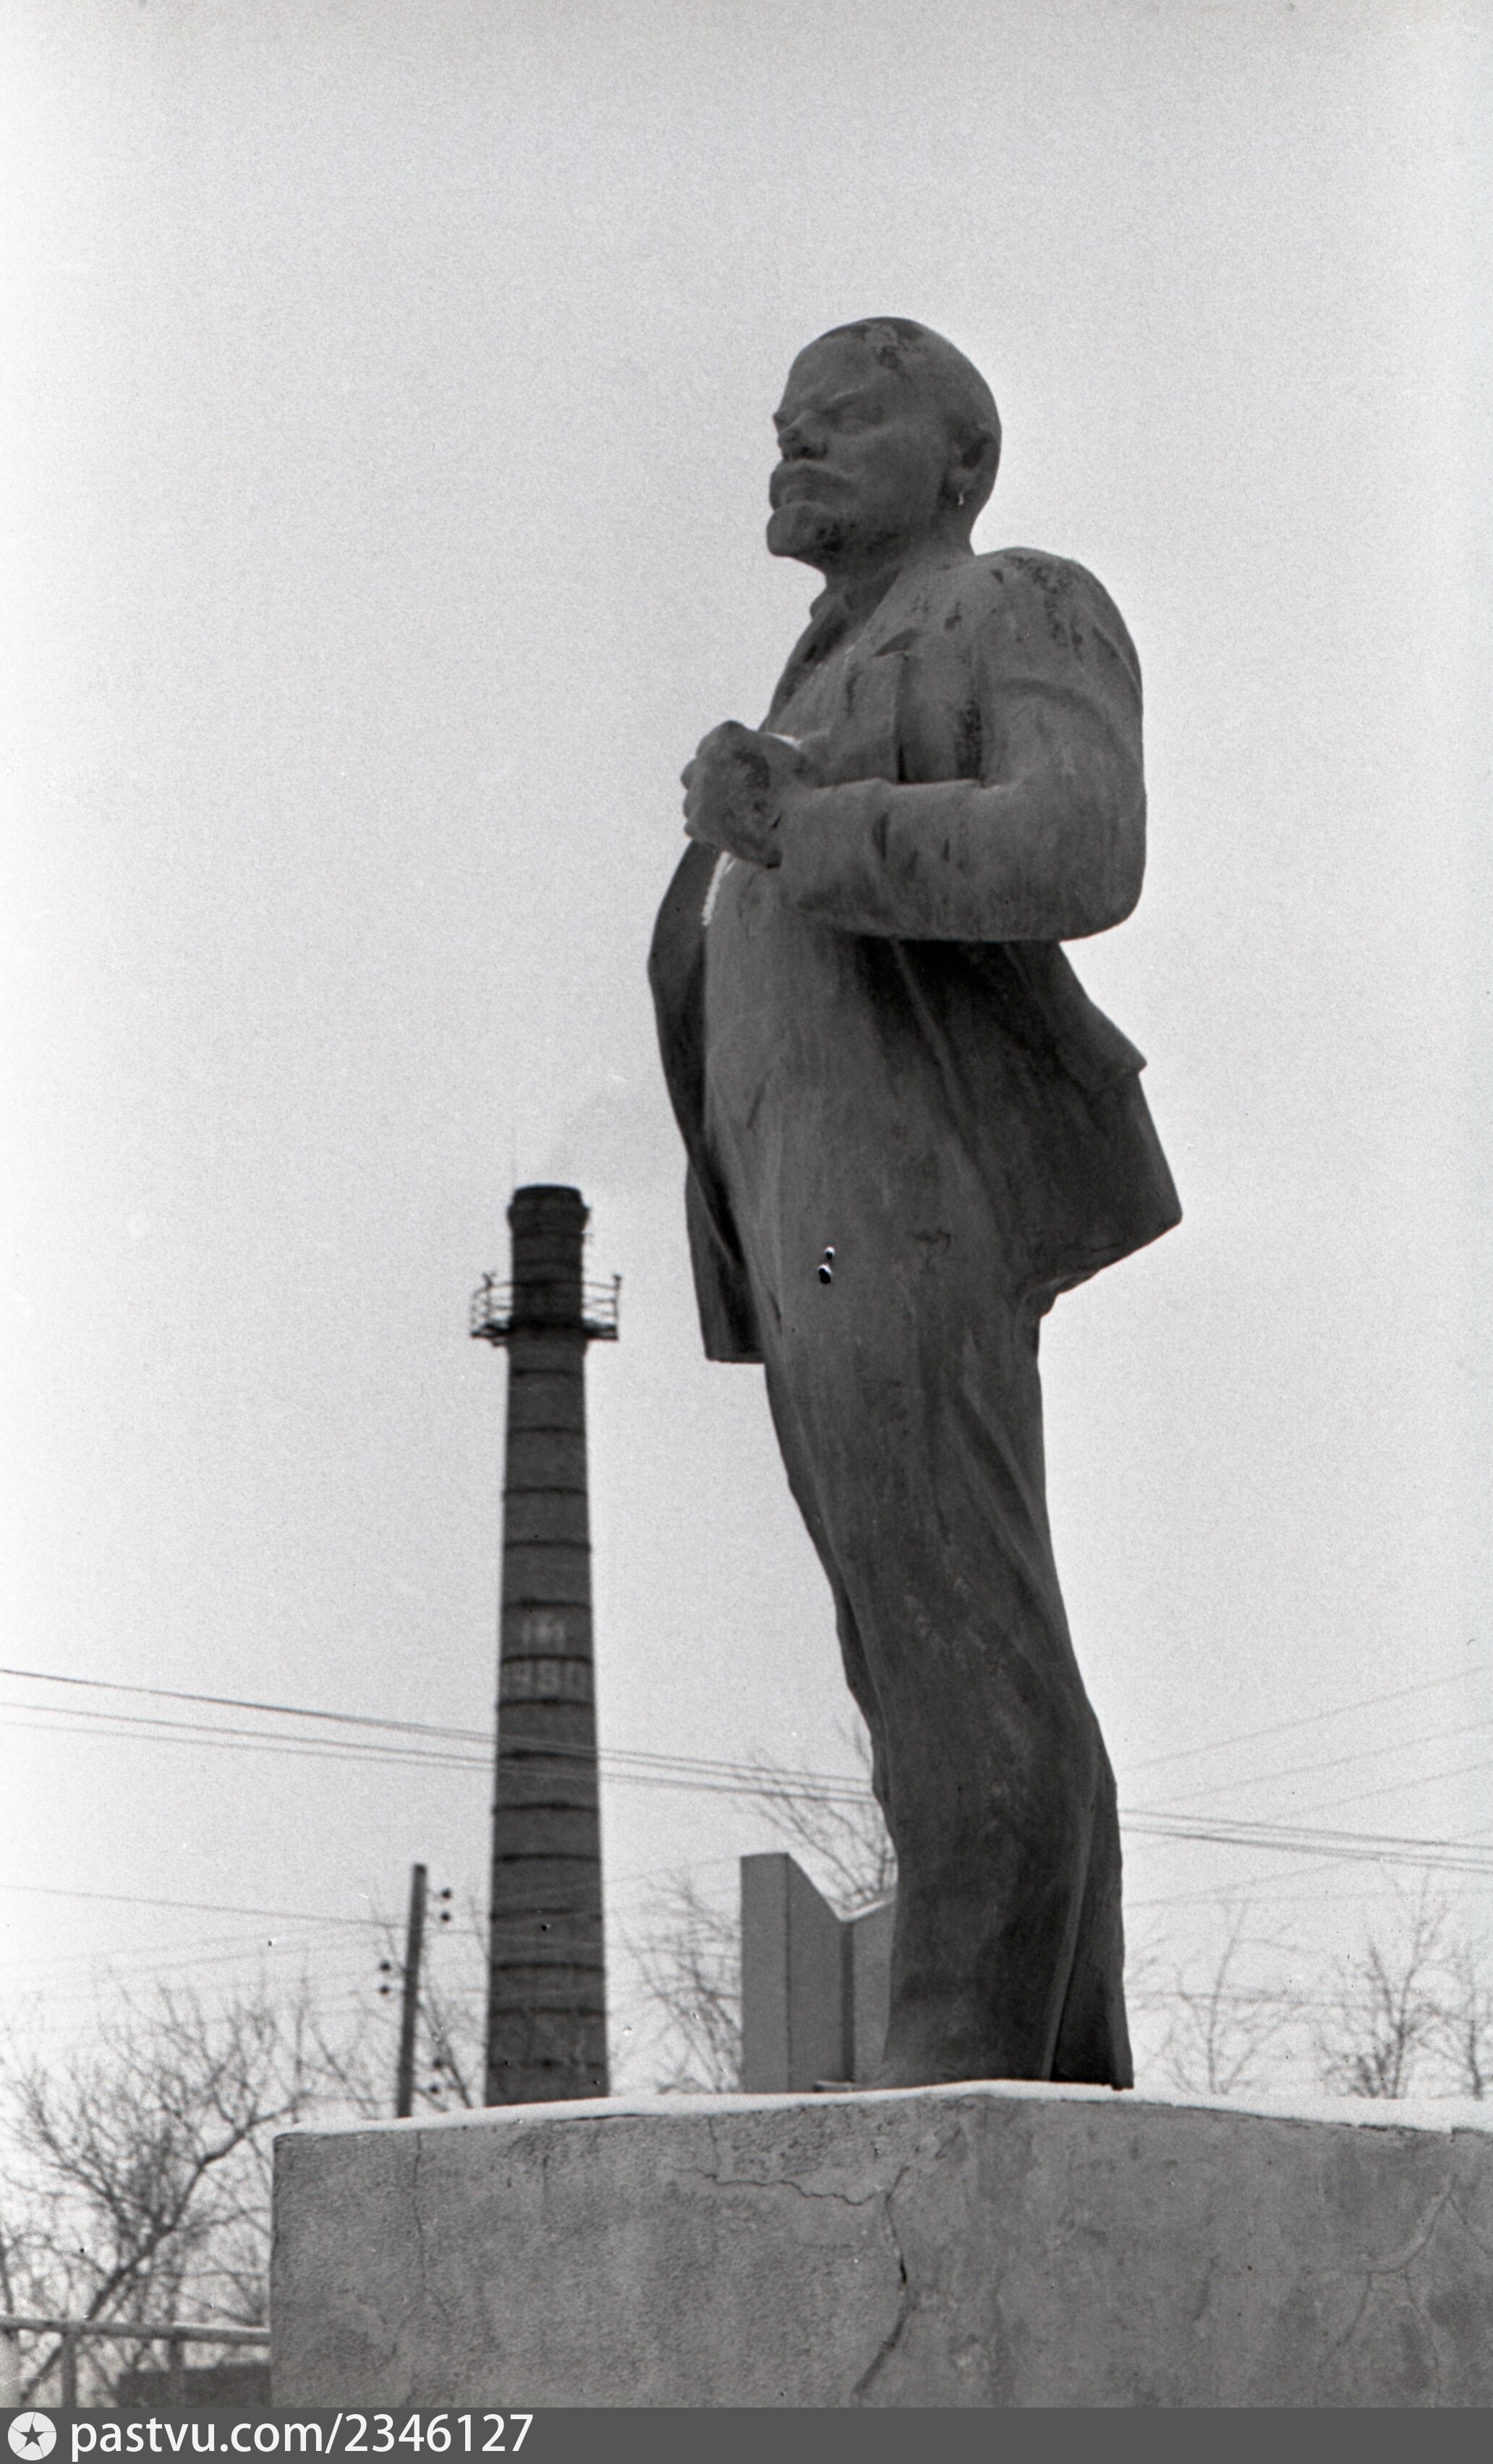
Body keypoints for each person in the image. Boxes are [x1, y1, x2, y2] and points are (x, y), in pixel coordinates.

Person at [649, 318, 1180, 2089]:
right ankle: (1056, 2068)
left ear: (963, 460)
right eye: (783, 421)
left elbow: (1081, 844)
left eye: (844, 417)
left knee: (957, 1634)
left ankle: (966, 2053)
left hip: (915, 1197)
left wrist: (807, 826)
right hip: (800, 1220)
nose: (793, 443)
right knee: (919, 1646)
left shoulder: (1017, 602)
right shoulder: (811, 679)